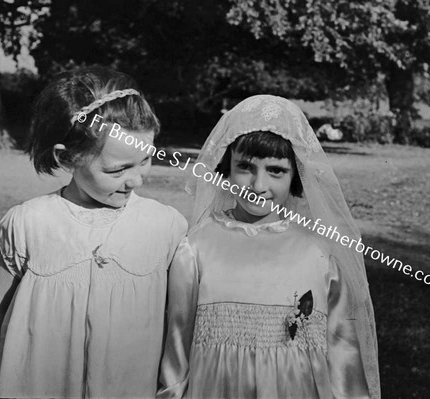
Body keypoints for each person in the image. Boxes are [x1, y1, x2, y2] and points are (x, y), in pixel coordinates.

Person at [0, 65, 187, 398]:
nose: (136, 180)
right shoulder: (28, 223)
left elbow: (180, 326)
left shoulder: (166, 227)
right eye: (118, 169)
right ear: (68, 159)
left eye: (146, 160)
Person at [158, 95, 380, 398]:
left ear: (295, 176)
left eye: (276, 170)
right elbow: (176, 348)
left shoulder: (318, 255)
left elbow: (344, 356)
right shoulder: (196, 248)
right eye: (246, 167)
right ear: (226, 168)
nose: (258, 185)